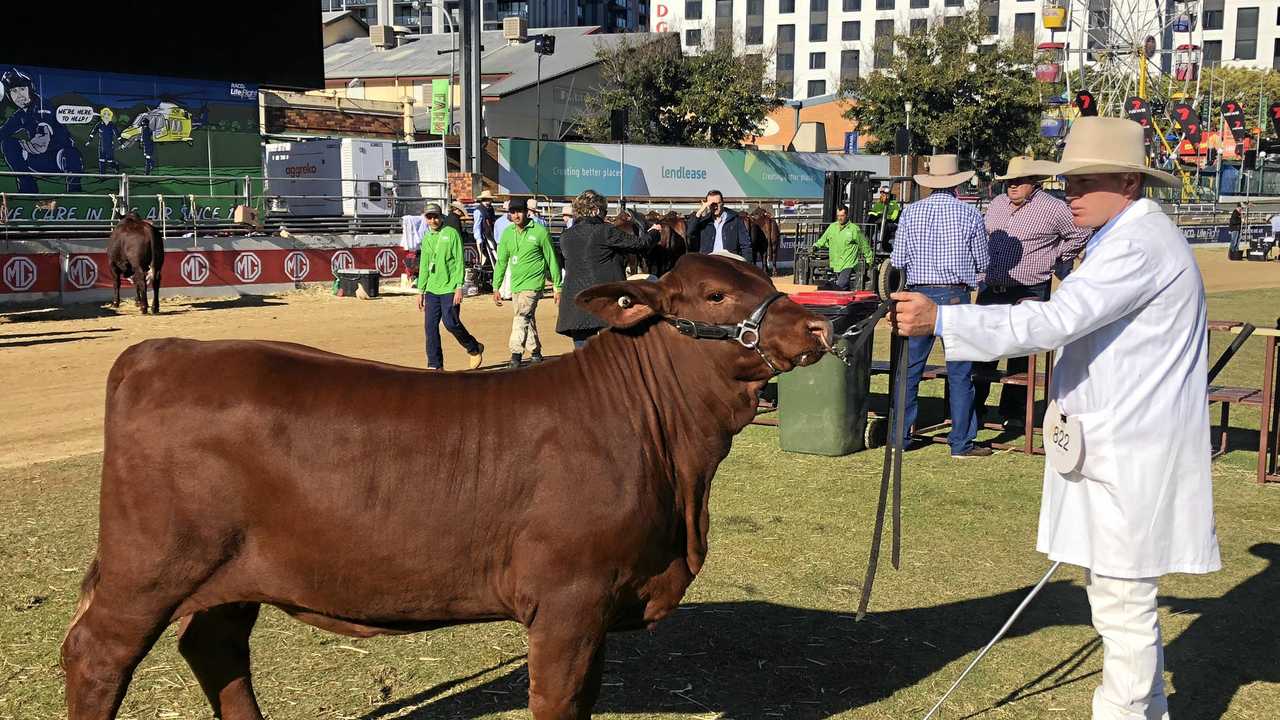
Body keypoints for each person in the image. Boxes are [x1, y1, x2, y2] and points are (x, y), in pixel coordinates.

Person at [892, 117, 1220, 720]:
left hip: (1133, 447)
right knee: (1112, 593)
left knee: (1124, 601)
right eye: (1066, 180)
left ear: (1127, 181)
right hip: (1115, 441)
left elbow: (1054, 321)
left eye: (1081, 181)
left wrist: (944, 323)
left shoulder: (1139, 243)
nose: (1067, 193)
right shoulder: (1122, 236)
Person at [976, 156, 1092, 430]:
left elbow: (1081, 231)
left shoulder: (1053, 208)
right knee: (981, 350)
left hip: (1028, 288)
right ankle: (975, 410)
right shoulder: (996, 205)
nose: (1012, 186)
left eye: (1019, 181)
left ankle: (1013, 413)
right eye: (1009, 182)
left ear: (1034, 182)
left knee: (1021, 352)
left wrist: (1055, 256)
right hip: (992, 287)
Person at [889, 154, 990, 458]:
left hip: (919, 294)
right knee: (960, 373)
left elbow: (897, 261)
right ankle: (960, 443)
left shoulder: (910, 212)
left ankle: (900, 438)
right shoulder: (970, 214)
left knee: (909, 370)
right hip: (956, 296)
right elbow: (983, 261)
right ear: (957, 182)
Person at [556, 190, 658, 348]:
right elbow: (640, 244)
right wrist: (654, 233)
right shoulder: (604, 230)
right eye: (604, 211)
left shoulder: (565, 236)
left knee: (584, 356)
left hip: (576, 301)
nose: (604, 215)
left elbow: (565, 264)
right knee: (614, 354)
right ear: (596, 210)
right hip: (605, 300)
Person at [416, 203, 484, 371]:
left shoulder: (451, 233)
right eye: (429, 217)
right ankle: (435, 365)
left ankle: (473, 347)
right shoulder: (426, 237)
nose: (433, 220)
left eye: (436, 217)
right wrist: (420, 290)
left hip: (450, 288)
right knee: (430, 327)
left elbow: (459, 261)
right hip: (432, 288)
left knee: (450, 322)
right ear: (425, 219)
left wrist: (459, 286)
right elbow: (424, 265)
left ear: (441, 217)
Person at [493, 198, 561, 368]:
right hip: (516, 284)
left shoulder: (539, 232)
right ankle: (536, 352)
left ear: (526, 212)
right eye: (513, 212)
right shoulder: (507, 233)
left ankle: (515, 354)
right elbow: (501, 261)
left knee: (521, 317)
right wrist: (496, 286)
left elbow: (552, 259)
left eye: (519, 211)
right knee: (526, 318)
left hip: (534, 283)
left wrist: (557, 286)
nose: (516, 215)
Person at [813, 206, 873, 290]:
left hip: (848, 263)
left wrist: (869, 260)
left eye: (842, 216)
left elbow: (864, 245)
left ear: (847, 215)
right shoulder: (832, 227)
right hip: (835, 263)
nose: (839, 218)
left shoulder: (854, 229)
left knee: (841, 285)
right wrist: (816, 246)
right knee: (842, 287)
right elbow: (823, 240)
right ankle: (848, 299)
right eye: (838, 216)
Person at [685, 190, 754, 262]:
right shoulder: (703, 221)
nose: (715, 207)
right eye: (712, 204)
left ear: (723, 203)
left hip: (730, 261)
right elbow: (689, 233)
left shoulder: (735, 220)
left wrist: (746, 265)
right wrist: (700, 211)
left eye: (718, 203)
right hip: (708, 261)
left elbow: (746, 245)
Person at [85, 108, 121, 175]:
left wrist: (121, 142)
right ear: (102, 115)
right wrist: (89, 141)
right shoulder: (99, 124)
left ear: (110, 115)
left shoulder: (112, 125)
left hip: (110, 146)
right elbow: (93, 133)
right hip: (101, 146)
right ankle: (102, 175)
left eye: (108, 114)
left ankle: (116, 167)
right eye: (104, 114)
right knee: (102, 160)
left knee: (110, 161)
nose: (106, 115)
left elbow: (117, 134)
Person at [472, 189, 498, 265]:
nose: (491, 201)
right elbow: (477, 226)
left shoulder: (490, 209)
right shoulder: (478, 211)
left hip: (490, 234)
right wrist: (478, 238)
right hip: (485, 235)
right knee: (487, 255)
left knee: (494, 251)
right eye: (490, 199)